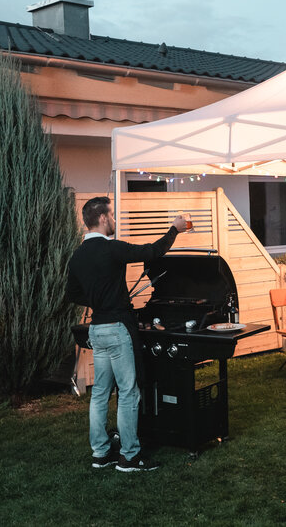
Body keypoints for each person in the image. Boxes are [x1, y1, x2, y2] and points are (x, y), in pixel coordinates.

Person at [66, 196, 188, 472]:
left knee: (99, 394)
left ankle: (100, 454)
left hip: (97, 329)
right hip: (118, 329)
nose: (115, 220)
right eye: (112, 216)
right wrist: (174, 230)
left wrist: (100, 299)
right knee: (128, 393)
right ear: (102, 218)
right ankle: (130, 457)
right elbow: (152, 252)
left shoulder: (78, 255)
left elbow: (72, 293)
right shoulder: (111, 250)